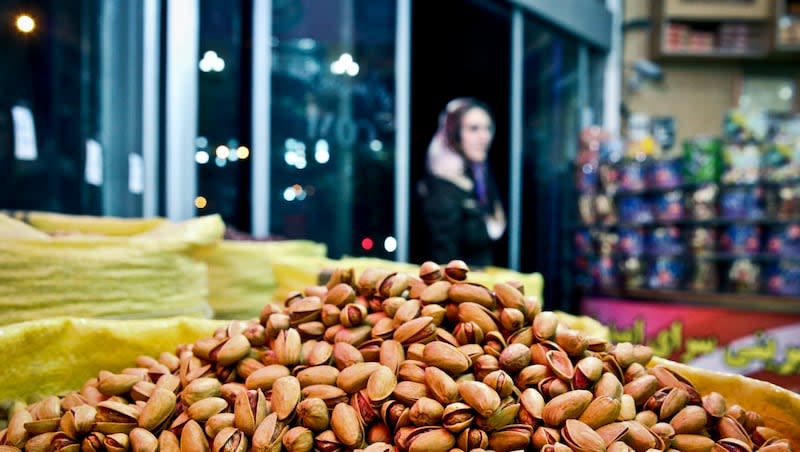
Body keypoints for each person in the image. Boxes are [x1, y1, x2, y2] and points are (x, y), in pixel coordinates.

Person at [418, 97, 506, 268]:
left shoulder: (479, 176)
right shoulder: (442, 186)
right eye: (473, 129)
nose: (484, 137)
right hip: (458, 289)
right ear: (454, 134)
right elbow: (443, 262)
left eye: (488, 128)